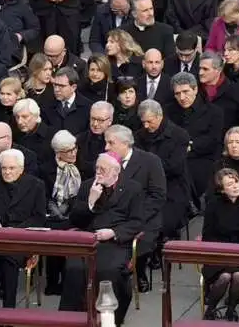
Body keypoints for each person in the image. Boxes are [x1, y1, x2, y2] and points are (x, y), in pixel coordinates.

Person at [59, 151, 144, 325]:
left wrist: (114, 233)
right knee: (74, 268)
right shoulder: (88, 186)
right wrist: (90, 202)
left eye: (103, 169)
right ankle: (71, 319)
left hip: (115, 243)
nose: (98, 172)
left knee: (108, 270)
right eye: (97, 168)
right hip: (88, 240)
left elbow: (137, 222)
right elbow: (74, 219)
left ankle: (110, 319)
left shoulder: (133, 188)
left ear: (116, 171)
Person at [0, 149, 46, 308]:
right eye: (4, 168)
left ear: (21, 168)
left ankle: (8, 310)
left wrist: (15, 230)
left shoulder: (36, 185)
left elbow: (39, 218)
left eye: (11, 168)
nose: (7, 172)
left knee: (8, 260)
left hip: (20, 240)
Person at [104, 124, 166, 293]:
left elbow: (158, 195)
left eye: (110, 143)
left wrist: (136, 216)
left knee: (140, 239)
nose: (106, 147)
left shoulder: (150, 161)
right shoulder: (105, 161)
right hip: (115, 215)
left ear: (125, 144)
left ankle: (138, 271)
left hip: (144, 216)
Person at [201, 168, 239, 321]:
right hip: (220, 255)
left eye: (236, 182)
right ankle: (211, 309)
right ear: (222, 190)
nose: (235, 186)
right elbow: (208, 235)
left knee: (238, 275)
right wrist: (225, 249)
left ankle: (231, 309)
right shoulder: (213, 206)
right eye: (229, 184)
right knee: (225, 276)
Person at [166, 71, 224, 206]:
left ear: (195, 89)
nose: (182, 97)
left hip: (203, 160)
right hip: (175, 161)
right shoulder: (168, 111)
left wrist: (190, 146)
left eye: (186, 92)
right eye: (177, 93)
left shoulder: (214, 112)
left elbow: (214, 140)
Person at [134, 99, 190, 238]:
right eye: (143, 122)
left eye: (149, 121)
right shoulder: (138, 136)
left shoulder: (179, 135)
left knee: (163, 224)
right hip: (145, 189)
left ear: (160, 116)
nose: (146, 126)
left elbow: (175, 167)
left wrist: (150, 170)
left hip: (172, 189)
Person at [41, 129, 81, 295]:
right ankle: (52, 283)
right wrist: (54, 210)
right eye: (68, 151)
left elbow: (81, 193)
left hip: (73, 214)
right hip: (51, 214)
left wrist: (69, 208)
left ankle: (67, 282)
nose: (73, 153)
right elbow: (43, 194)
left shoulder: (80, 167)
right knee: (55, 236)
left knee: (69, 234)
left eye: (74, 149)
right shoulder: (45, 169)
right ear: (58, 153)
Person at [43, 66, 93, 135]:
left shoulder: (88, 107)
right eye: (55, 85)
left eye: (61, 86)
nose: (56, 89)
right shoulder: (47, 105)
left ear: (73, 87)